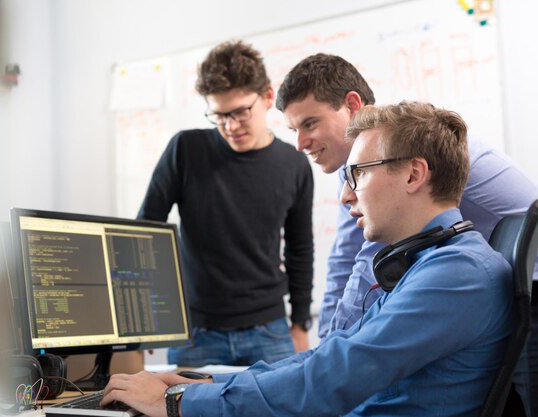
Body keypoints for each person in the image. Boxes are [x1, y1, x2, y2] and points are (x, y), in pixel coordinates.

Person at [102, 102, 512, 417]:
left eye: (358, 175)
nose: (347, 195)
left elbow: (332, 377)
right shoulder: (426, 263)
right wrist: (205, 381)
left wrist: (179, 404)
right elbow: (326, 357)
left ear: (413, 174)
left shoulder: (456, 275)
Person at [277, 54, 538, 415]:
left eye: (310, 123)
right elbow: (346, 261)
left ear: (352, 104)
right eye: (293, 131)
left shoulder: (398, 156)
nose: (300, 143)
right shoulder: (369, 166)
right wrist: (324, 357)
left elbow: (366, 262)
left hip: (530, 296)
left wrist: (326, 359)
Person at [137, 40, 314, 366]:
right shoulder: (185, 150)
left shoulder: (295, 165)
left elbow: (300, 249)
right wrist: (141, 320)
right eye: (219, 115)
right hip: (196, 332)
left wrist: (301, 323)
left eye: (240, 112)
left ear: (267, 97)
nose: (230, 126)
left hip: (270, 331)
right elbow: (145, 232)